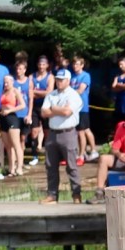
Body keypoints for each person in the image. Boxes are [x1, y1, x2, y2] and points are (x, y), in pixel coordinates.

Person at [40, 67, 83, 204]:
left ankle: (76, 194)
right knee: (50, 166)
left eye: (61, 80)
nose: (58, 82)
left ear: (68, 81)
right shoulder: (51, 94)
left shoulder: (73, 95)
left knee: (71, 165)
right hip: (52, 133)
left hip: (68, 132)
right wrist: (58, 110)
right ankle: (52, 195)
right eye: (57, 79)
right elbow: (43, 113)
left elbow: (67, 112)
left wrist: (53, 109)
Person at [71, 55, 98, 164]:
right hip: (73, 107)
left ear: (82, 65)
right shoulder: (72, 76)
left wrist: (68, 94)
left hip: (82, 107)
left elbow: (80, 90)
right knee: (82, 130)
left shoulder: (85, 76)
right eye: (74, 64)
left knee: (82, 131)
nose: (75, 66)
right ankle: (87, 151)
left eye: (77, 64)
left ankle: (82, 154)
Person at [29, 55, 54, 166]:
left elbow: (49, 92)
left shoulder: (50, 77)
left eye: (43, 64)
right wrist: (41, 92)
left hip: (46, 107)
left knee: (47, 132)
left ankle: (49, 155)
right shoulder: (32, 76)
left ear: (47, 65)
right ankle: (35, 156)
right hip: (34, 107)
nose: (41, 66)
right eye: (40, 64)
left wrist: (36, 92)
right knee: (34, 132)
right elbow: (29, 92)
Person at [0, 74, 24, 177]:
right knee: (8, 146)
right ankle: (11, 168)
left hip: (12, 118)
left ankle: (20, 167)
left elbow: (22, 105)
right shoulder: (3, 92)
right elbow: (2, 106)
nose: (5, 84)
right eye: (4, 82)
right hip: (3, 119)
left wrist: (10, 110)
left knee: (16, 144)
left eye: (7, 82)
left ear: (12, 82)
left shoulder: (15, 91)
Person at [13, 55, 32, 173]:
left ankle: (21, 160)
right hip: (15, 114)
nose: (18, 71)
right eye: (17, 69)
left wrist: (29, 114)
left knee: (23, 138)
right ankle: (15, 162)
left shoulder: (29, 82)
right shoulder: (13, 82)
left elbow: (31, 99)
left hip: (24, 113)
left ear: (25, 69)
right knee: (15, 139)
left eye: (21, 69)